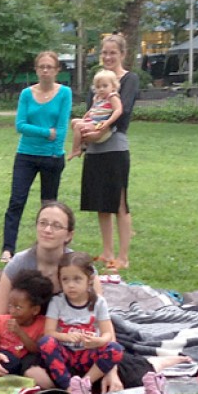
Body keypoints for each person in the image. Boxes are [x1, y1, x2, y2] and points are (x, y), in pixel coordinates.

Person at [41, 251, 190, 394]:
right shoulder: (57, 302)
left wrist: (97, 342)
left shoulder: (98, 303)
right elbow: (49, 333)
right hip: (67, 355)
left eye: (77, 279)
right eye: (65, 279)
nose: (71, 285)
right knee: (45, 343)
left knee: (115, 349)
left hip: (88, 355)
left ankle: (84, 385)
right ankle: (69, 387)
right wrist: (66, 336)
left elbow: (107, 335)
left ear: (89, 280)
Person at [0, 51, 72, 264]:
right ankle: (7, 248)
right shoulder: (26, 94)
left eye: (50, 67)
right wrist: (45, 132)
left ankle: (49, 247)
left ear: (57, 70)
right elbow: (20, 125)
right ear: (36, 69)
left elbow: (61, 128)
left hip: (52, 156)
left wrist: (54, 150)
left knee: (50, 206)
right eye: (42, 67)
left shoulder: (64, 93)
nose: (45, 71)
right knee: (16, 200)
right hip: (26, 155)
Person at [75, 35, 140, 270]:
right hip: (95, 150)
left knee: (119, 203)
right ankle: (107, 252)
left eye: (113, 52)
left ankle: (122, 257)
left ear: (122, 54)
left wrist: (98, 131)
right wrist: (84, 140)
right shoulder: (97, 81)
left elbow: (123, 111)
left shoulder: (129, 80)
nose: (108, 57)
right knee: (100, 203)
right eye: (104, 52)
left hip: (115, 148)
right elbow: (89, 113)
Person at [69, 70, 123, 159]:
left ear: (113, 86)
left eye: (105, 86)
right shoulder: (97, 97)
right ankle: (83, 144)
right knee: (74, 121)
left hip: (99, 123)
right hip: (92, 120)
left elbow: (118, 110)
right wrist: (85, 118)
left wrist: (108, 122)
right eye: (98, 87)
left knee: (78, 126)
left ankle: (76, 149)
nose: (101, 89)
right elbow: (92, 110)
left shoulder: (112, 97)